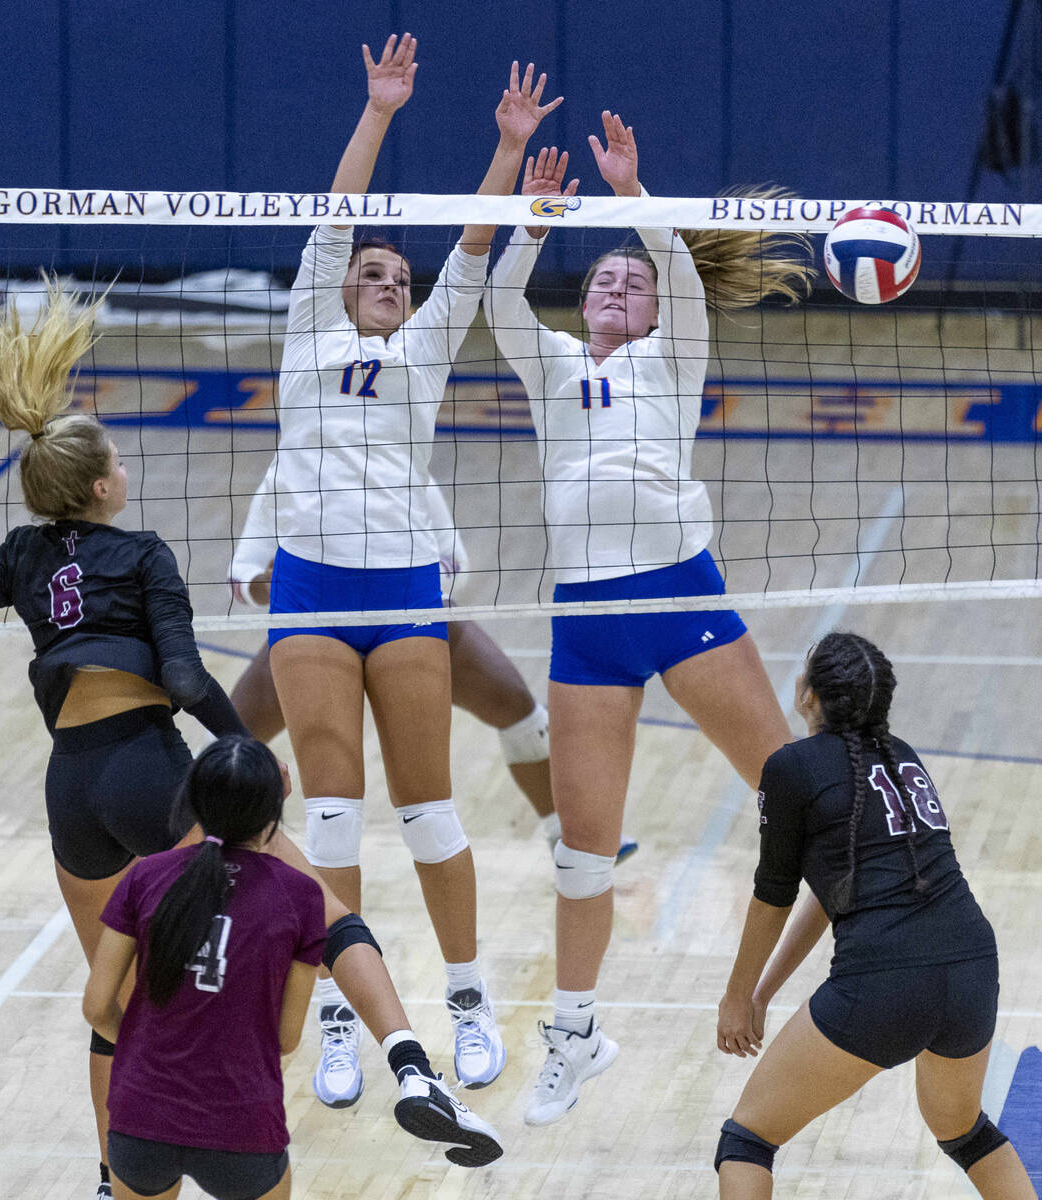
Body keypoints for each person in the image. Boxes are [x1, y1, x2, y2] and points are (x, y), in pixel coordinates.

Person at [0, 279, 501, 1198]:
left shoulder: (19, 555)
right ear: (104, 486)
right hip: (151, 771)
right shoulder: (142, 553)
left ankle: (114, 1174)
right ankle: (413, 1065)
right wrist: (246, 754)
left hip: (72, 791)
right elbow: (184, 680)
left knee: (116, 1009)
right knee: (325, 908)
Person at [483, 117, 813, 1125]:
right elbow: (499, 298)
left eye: (635, 283)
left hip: (682, 598)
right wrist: (535, 221)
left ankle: (875, 924)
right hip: (589, 620)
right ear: (581, 303)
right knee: (584, 851)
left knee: (800, 789)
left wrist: (632, 191)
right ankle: (575, 1037)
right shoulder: (549, 367)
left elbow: (667, 252)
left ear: (660, 308)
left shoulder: (674, 360)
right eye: (604, 283)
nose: (619, 288)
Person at [258, 34, 563, 1107]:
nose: (387, 283)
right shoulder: (303, 330)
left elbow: (474, 246)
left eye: (399, 277)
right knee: (332, 819)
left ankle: (469, 1005)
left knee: (429, 814)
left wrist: (504, 145)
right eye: (371, 275)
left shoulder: (425, 349)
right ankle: (344, 1022)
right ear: (339, 290)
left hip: (401, 595)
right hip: (308, 593)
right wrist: (379, 113)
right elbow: (338, 214)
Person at [83, 736, 500, 1200]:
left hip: (142, 1119)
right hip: (239, 1126)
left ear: (191, 801)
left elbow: (98, 1006)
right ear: (273, 816)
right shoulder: (298, 897)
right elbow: (285, 1038)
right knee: (344, 921)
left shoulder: (143, 876)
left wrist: (148, 1055)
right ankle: (412, 1067)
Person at [713, 632, 1034, 1199]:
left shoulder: (790, 767)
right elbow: (829, 893)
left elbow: (773, 895)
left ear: (811, 695)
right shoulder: (901, 756)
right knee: (967, 1132)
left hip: (885, 981)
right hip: (971, 967)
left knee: (747, 1142)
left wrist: (738, 997)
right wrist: (765, 991)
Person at [229, 480, 639, 861]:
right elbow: (240, 576)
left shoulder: (405, 464)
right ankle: (206, 846)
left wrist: (395, 584)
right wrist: (274, 584)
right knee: (227, 737)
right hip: (318, 627)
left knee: (516, 707)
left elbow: (454, 561)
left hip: (410, 621)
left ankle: (568, 835)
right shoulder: (288, 471)